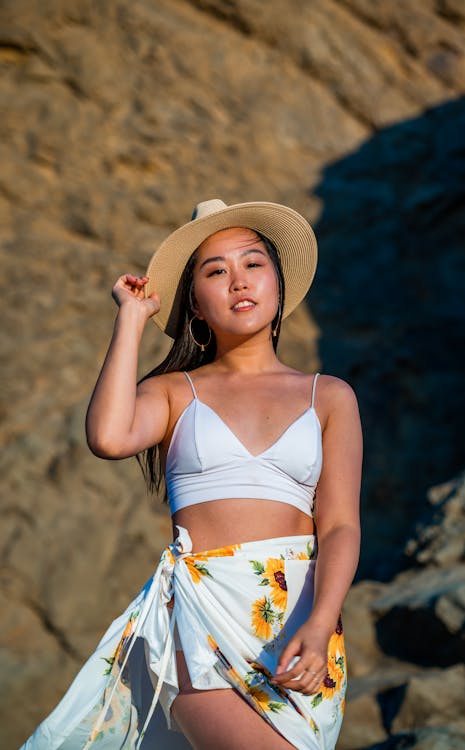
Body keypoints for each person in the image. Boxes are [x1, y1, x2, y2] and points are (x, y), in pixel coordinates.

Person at [21, 199, 363, 750]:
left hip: (298, 624)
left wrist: (321, 622)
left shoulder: (331, 397)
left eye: (253, 264)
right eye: (215, 271)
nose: (238, 281)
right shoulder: (176, 393)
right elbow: (108, 437)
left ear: (278, 285)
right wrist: (131, 318)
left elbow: (342, 525)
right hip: (199, 621)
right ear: (196, 307)